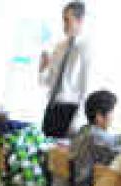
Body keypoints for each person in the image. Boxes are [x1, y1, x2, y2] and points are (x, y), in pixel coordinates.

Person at [39, 2, 91, 138]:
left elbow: (86, 89)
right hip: (52, 107)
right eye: (63, 20)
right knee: (45, 154)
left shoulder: (87, 49)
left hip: (70, 110)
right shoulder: (59, 47)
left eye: (68, 20)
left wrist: (76, 121)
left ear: (80, 21)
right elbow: (47, 82)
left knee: (61, 156)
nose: (64, 25)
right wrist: (42, 69)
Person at [67, 89, 121, 186]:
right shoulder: (96, 137)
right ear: (99, 117)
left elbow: (114, 141)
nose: (113, 117)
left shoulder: (83, 131)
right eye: (111, 112)